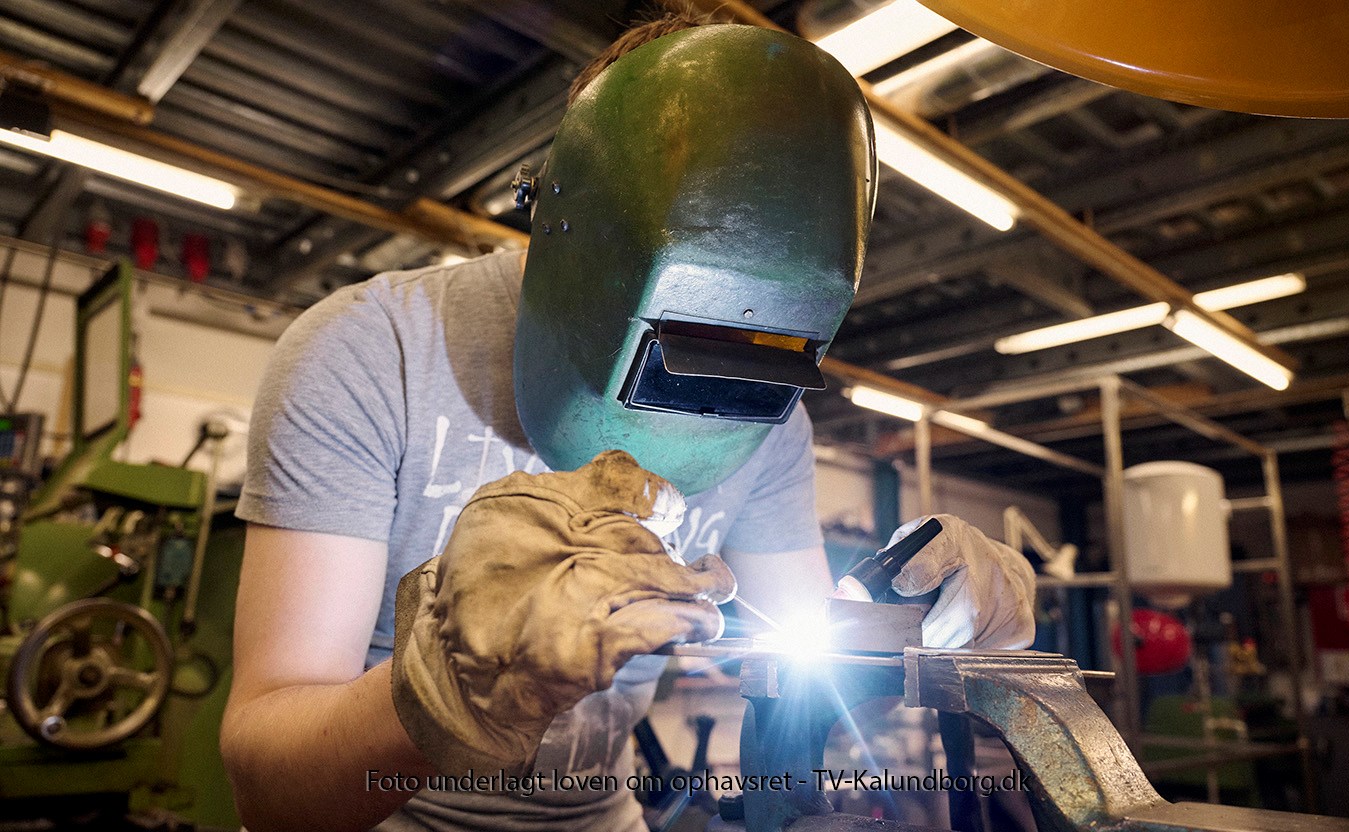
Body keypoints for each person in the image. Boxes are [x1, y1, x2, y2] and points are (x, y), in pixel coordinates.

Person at [220, 16, 1036, 832]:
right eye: (693, 314)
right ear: (569, 214)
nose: (718, 364)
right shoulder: (372, 352)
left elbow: (811, 655)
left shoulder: (770, 423)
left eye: (761, 331)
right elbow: (269, 788)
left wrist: (927, 617)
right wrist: (442, 693)